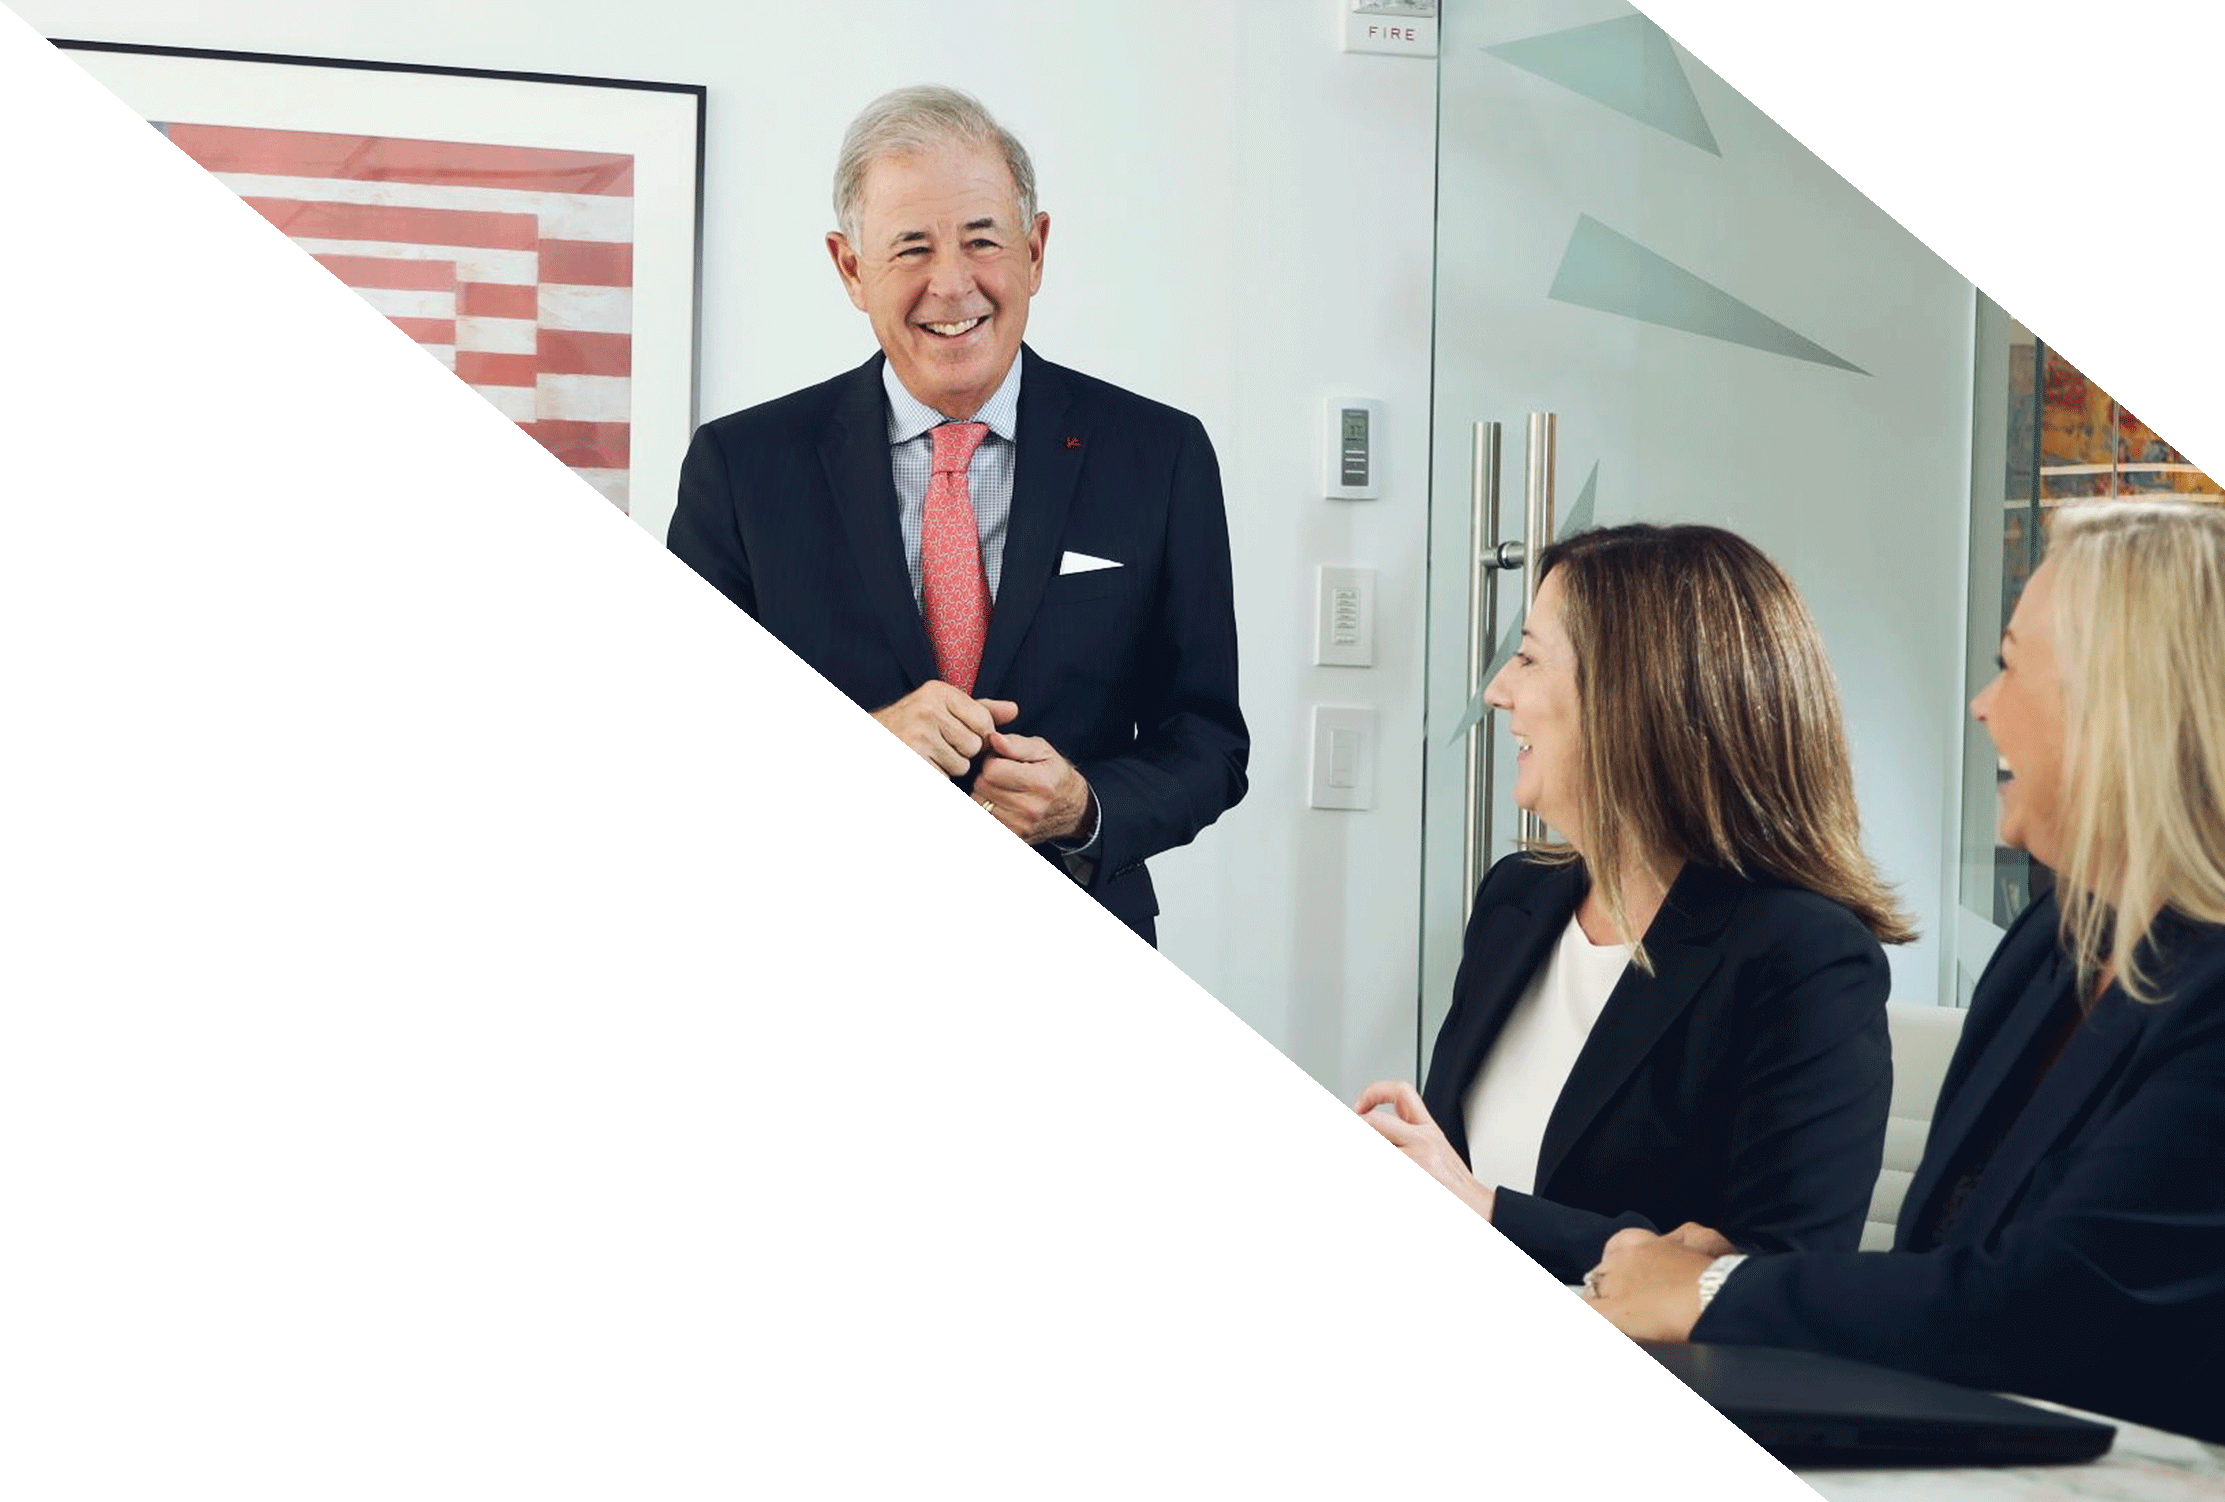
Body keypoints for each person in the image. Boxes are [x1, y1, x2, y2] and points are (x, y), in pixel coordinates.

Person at [1582, 500, 2225, 1443]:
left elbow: (2046, 1309)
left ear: (2127, 706)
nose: (1981, 704)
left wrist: (1715, 1288)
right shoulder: (2053, 941)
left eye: (2010, 665)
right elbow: (1946, 1263)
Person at [666, 86, 1247, 948]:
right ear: (850, 268)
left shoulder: (1159, 455)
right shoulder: (743, 468)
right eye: (910, 248)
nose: (953, 284)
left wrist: (1086, 806)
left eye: (982, 239)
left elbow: (1206, 738)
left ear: (1036, 249)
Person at [1357, 523, 1914, 1285]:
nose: (1496, 691)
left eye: (1525, 657)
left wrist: (1488, 1206)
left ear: (1632, 696)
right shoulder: (1516, 899)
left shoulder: (1802, 956)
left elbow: (1778, 1277)